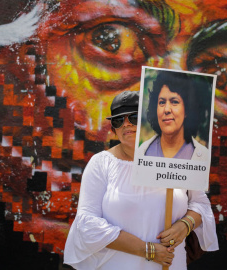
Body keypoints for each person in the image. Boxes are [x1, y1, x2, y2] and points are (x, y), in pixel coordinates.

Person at [64, 90, 218, 270]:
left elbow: (200, 204)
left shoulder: (179, 159)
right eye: (118, 120)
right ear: (113, 129)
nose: (126, 124)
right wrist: (148, 250)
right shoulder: (101, 163)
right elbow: (87, 223)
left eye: (134, 117)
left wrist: (185, 225)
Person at [139, 71, 210, 161]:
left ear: (187, 110)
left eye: (174, 102)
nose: (167, 109)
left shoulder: (204, 157)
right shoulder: (142, 152)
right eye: (162, 102)